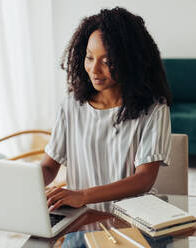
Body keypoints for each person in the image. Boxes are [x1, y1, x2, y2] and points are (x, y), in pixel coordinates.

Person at [42, 7, 173, 212]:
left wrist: (83, 195)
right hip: (81, 219)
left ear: (130, 61)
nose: (94, 70)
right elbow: (49, 167)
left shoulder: (154, 110)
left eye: (107, 61)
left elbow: (144, 179)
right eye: (89, 57)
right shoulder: (71, 106)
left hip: (133, 220)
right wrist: (24, 185)